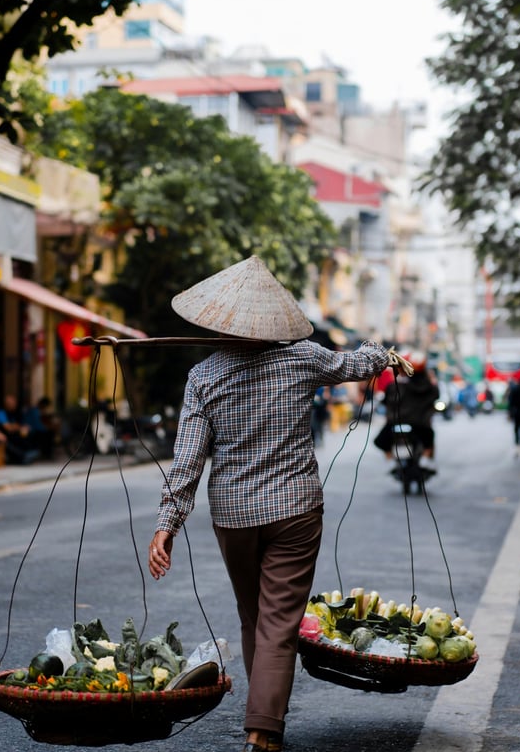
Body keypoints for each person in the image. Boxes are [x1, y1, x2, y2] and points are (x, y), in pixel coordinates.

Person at [147, 256, 405, 752]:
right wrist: (381, 353)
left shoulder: (203, 377)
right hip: (294, 511)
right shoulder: (303, 357)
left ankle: (265, 714)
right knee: (279, 620)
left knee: (255, 617)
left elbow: (187, 461)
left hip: (235, 515)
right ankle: (263, 727)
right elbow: (353, 364)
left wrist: (168, 524)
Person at [374, 351, 439, 471]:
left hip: (395, 422)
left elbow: (385, 400)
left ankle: (390, 460)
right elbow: (435, 397)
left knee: (380, 440)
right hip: (419, 422)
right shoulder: (429, 386)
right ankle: (425, 459)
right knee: (429, 438)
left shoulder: (394, 386)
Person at [0, 394, 41, 465]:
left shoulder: (13, 413)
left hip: (10, 435)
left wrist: (21, 427)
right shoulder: (0, 413)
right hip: (3, 436)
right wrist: (19, 427)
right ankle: (22, 457)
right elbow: (7, 427)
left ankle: (25, 455)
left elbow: (14, 425)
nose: (15, 405)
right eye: (13, 403)